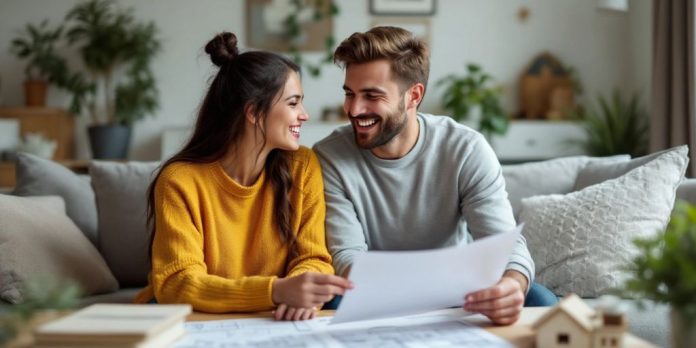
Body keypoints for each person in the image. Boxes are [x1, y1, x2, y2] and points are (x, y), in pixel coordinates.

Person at [313, 26, 557, 325]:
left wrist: (511, 285)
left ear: (413, 95)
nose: (354, 108)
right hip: (375, 293)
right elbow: (348, 258)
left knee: (540, 301)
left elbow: (505, 244)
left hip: (460, 290)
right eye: (350, 94)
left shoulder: (465, 148)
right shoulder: (330, 157)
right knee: (330, 297)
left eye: (371, 95)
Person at [134, 32, 352, 321]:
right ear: (253, 113)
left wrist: (302, 294)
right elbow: (177, 282)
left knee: (339, 299)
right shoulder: (179, 180)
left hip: (279, 311)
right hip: (199, 313)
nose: (304, 114)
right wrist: (276, 291)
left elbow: (313, 257)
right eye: (293, 103)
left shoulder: (302, 165)